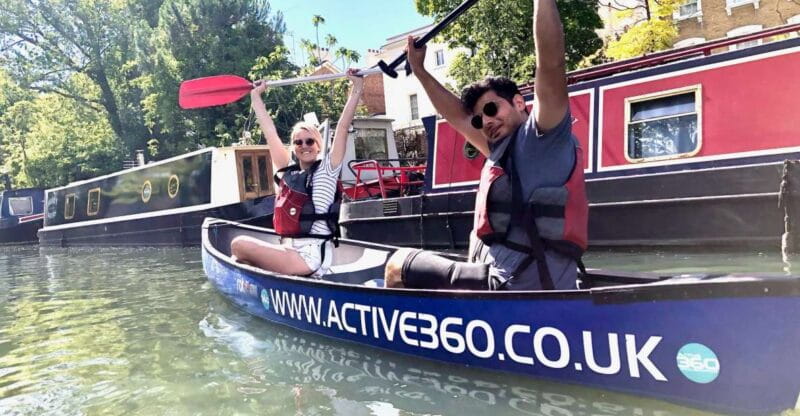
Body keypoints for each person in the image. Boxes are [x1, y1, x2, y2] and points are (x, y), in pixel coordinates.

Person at [385, 0, 588, 290]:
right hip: (500, 277)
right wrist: (419, 69)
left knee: (397, 265)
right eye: (480, 119)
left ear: (519, 102)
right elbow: (458, 117)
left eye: (492, 109)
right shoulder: (501, 148)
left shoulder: (542, 139)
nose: (487, 121)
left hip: (510, 287)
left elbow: (551, 65)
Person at [231, 69, 365, 277]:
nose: (304, 146)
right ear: (293, 147)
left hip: (310, 255)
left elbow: (342, 127)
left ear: (318, 145)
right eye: (298, 142)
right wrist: (256, 97)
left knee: (238, 245)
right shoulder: (287, 171)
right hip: (289, 249)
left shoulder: (328, 169)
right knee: (240, 256)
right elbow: (270, 133)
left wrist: (357, 87)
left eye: (310, 141)